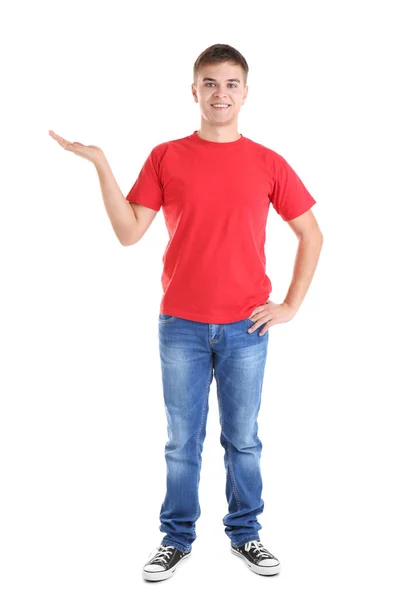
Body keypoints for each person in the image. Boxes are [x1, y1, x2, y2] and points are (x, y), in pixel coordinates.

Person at [49, 43, 323, 582]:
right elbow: (130, 233)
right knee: (182, 440)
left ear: (246, 93)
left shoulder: (268, 162)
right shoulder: (166, 156)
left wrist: (290, 304)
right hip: (181, 326)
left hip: (248, 326)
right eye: (209, 83)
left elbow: (311, 233)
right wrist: (102, 163)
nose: (220, 93)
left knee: (243, 437)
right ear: (193, 90)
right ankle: (176, 539)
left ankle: (246, 535)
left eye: (231, 84)